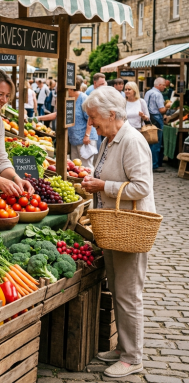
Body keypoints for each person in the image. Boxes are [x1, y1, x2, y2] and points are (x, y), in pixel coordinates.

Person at [81, 86, 153, 379]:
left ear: (112, 114)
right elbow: (105, 174)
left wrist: (102, 187)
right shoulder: (110, 140)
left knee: (128, 293)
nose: (92, 123)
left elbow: (142, 187)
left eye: (94, 117)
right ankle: (124, 347)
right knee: (118, 288)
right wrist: (92, 179)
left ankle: (133, 356)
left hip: (130, 226)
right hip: (113, 225)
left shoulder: (131, 141)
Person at [68, 76, 98, 170]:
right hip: (74, 139)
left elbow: (91, 118)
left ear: (70, 88)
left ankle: (90, 184)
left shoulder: (84, 98)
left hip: (85, 139)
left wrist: (87, 135)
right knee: (75, 167)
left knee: (86, 167)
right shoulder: (70, 99)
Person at [144, 77, 168, 172]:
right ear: (159, 85)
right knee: (156, 143)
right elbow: (161, 110)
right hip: (157, 119)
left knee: (149, 142)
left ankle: (148, 164)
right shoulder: (158, 94)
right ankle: (154, 165)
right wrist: (168, 106)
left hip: (149, 118)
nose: (165, 87)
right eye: (164, 85)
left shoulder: (148, 92)